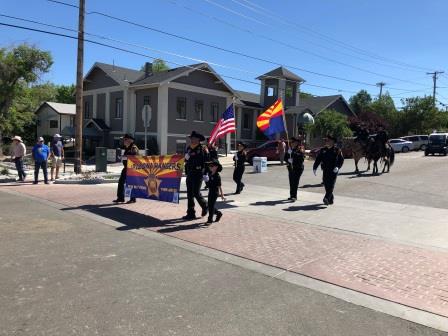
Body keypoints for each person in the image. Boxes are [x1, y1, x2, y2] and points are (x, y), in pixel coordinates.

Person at [313, 134, 344, 205]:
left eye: (328, 140)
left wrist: (337, 167)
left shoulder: (337, 150)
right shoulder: (323, 150)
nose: (327, 141)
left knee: (331, 185)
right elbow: (318, 159)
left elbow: (341, 160)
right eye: (326, 140)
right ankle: (331, 199)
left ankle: (326, 198)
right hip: (325, 170)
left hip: (333, 171)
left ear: (333, 142)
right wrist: (315, 167)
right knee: (326, 184)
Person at [183, 131, 208, 220]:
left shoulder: (202, 149)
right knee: (189, 194)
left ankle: (205, 205)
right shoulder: (189, 148)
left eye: (193, 138)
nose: (191, 140)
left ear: (198, 139)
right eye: (191, 138)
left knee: (196, 193)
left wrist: (205, 173)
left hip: (198, 173)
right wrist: (186, 157)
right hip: (190, 173)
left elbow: (206, 161)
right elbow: (185, 159)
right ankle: (191, 213)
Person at [113, 134, 139, 204]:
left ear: (130, 140)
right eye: (124, 140)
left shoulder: (133, 147)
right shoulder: (127, 147)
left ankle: (133, 199)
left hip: (132, 169)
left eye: (125, 139)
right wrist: (123, 157)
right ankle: (120, 198)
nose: (124, 141)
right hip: (126, 168)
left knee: (131, 183)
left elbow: (133, 157)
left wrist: (123, 157)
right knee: (121, 182)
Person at [205, 159, 225, 225]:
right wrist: (206, 180)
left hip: (215, 192)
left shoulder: (217, 176)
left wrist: (222, 195)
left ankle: (210, 220)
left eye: (211, 166)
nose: (210, 167)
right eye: (209, 166)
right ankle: (218, 213)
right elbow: (208, 184)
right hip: (210, 191)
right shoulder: (210, 174)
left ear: (216, 167)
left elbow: (219, 186)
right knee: (210, 205)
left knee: (211, 206)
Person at [285, 137, 305, 201]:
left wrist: (293, 158)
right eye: (291, 142)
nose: (291, 143)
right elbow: (285, 158)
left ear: (296, 143)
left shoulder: (300, 149)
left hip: (298, 168)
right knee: (291, 182)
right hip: (290, 168)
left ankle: (294, 196)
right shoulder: (290, 149)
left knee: (295, 182)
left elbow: (301, 158)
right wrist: (288, 160)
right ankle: (291, 195)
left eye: (293, 142)